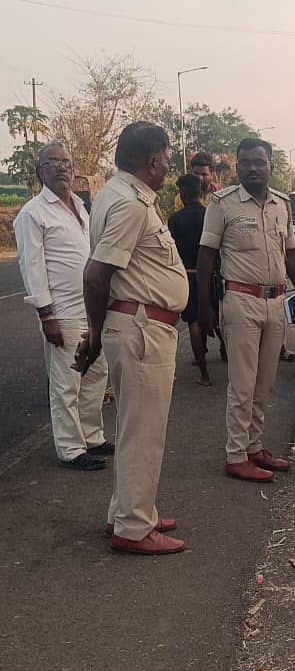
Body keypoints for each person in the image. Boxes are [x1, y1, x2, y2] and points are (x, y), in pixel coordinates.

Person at [74, 122, 189, 555]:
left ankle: (129, 510)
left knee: (133, 428)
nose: (167, 165)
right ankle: (134, 528)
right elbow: (96, 274)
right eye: (164, 157)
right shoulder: (130, 204)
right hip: (142, 328)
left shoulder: (116, 194)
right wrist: (96, 333)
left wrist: (98, 332)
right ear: (152, 160)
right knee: (144, 433)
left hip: (139, 325)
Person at [197, 137, 295, 483]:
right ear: (238, 167)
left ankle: (254, 448)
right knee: (242, 385)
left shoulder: (281, 205)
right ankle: (235, 455)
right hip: (240, 301)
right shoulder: (222, 204)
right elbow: (206, 257)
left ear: (271, 165)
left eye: (259, 162)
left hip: (275, 302)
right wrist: (204, 306)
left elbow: (290, 253)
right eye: (245, 162)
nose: (252, 168)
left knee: (265, 383)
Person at [13, 142, 112, 471]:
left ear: (73, 169)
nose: (61, 168)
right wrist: (46, 315)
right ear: (41, 171)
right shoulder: (33, 213)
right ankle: (71, 449)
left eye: (66, 162)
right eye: (52, 163)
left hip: (92, 310)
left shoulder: (81, 207)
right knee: (67, 383)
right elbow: (32, 267)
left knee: (96, 374)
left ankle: (92, 435)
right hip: (63, 313)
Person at [168, 172, 212, 386]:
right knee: (216, 318)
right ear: (201, 192)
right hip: (212, 276)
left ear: (182, 195)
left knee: (194, 322)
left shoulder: (175, 220)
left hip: (188, 276)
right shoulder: (210, 215)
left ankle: (204, 374)